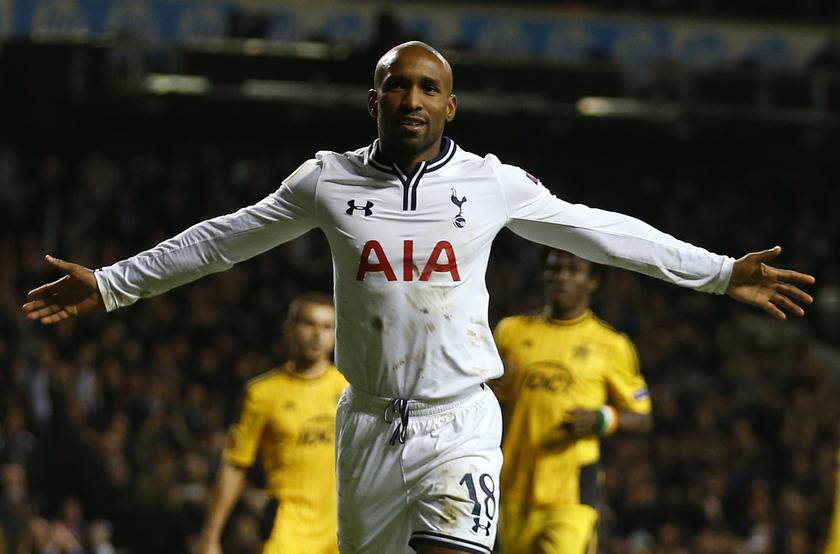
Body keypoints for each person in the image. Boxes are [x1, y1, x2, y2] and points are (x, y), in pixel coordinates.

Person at [21, 41, 814, 554]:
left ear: (450, 106)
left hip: (459, 422)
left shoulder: (492, 182)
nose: (410, 100)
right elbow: (222, 238)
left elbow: (597, 231)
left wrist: (716, 271)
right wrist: (115, 283)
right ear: (374, 102)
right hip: (364, 425)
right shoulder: (326, 179)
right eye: (394, 87)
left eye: (427, 89)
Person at [492, 249, 652, 554]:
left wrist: (601, 419)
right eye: (554, 268)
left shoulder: (611, 345)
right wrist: (490, 386)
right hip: (512, 485)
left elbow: (643, 417)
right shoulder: (510, 331)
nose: (561, 276)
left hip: (572, 493)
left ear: (592, 281)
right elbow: (492, 399)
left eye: (573, 270)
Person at [197, 292, 346, 554]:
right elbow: (235, 463)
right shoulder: (262, 393)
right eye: (309, 324)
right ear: (290, 329)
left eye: (326, 326)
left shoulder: (349, 389)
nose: (317, 334)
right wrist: (211, 536)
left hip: (344, 534)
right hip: (287, 535)